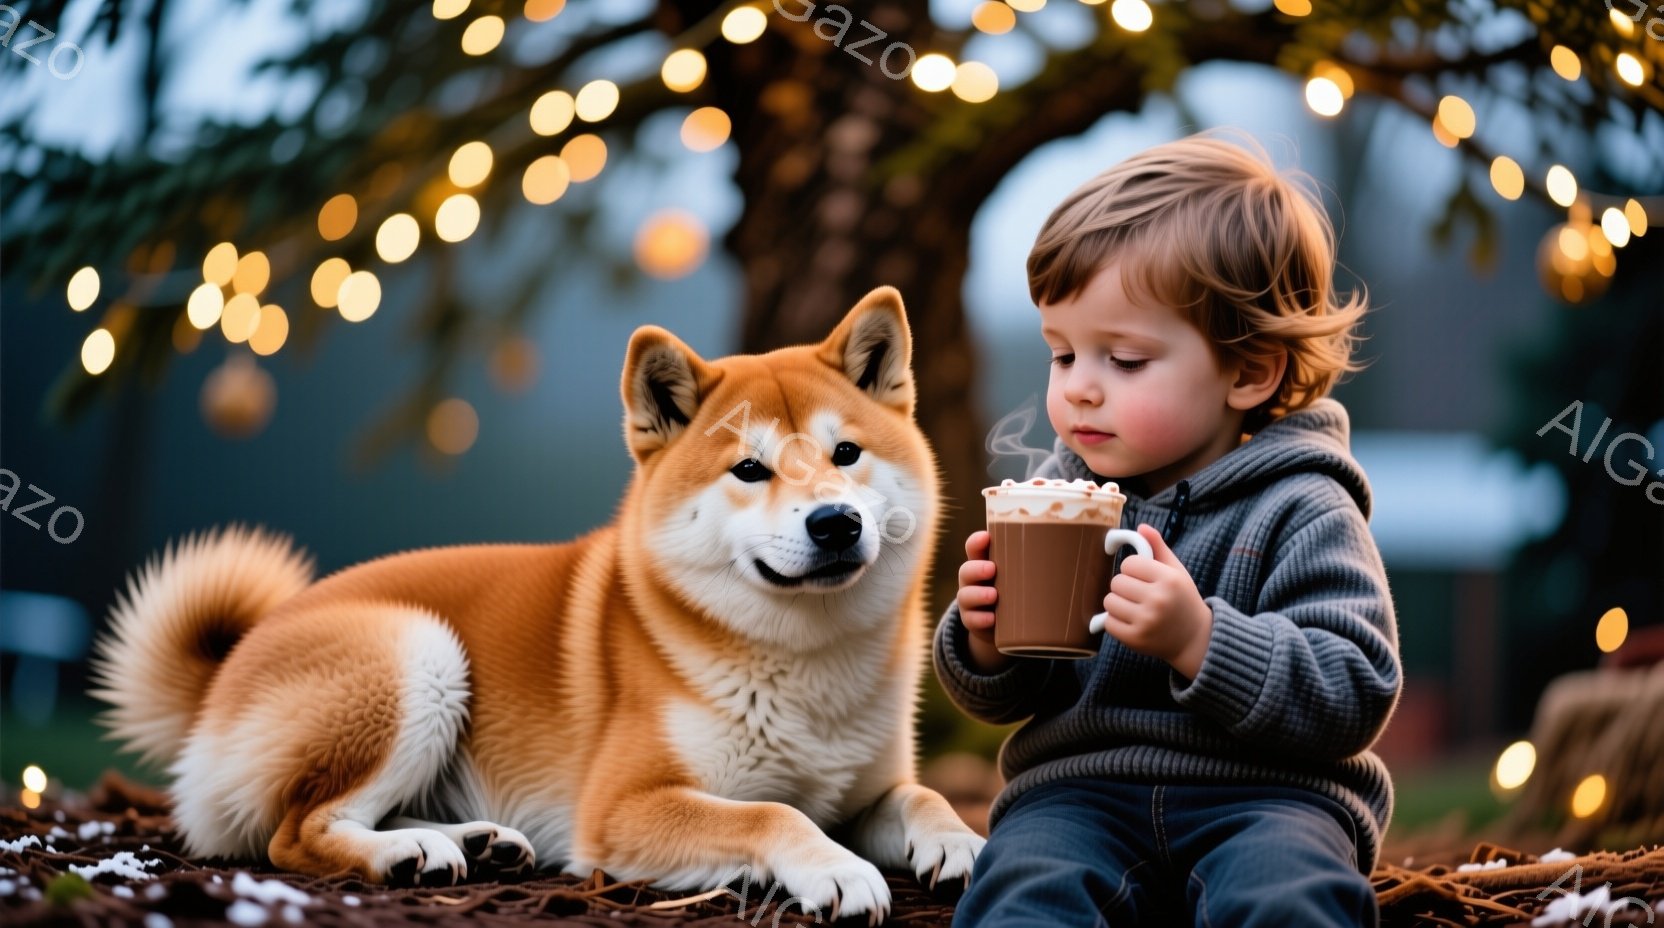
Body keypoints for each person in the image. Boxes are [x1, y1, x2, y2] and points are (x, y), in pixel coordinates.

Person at [936, 131, 1401, 927]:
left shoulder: (1302, 505)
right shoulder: (1061, 493)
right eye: (1062, 355)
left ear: (1249, 372)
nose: (1079, 390)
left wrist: (1200, 638)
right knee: (1023, 888)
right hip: (1077, 793)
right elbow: (1015, 694)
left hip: (1268, 799)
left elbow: (1355, 688)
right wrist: (983, 640)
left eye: (1122, 360)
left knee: (1287, 893)